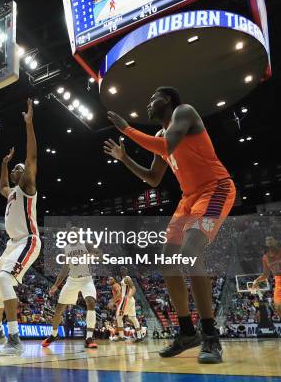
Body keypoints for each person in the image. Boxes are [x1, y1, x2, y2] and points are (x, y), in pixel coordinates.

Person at [105, 86, 236, 363]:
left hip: (216, 189)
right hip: (188, 199)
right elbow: (153, 178)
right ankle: (188, 332)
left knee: (189, 255)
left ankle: (210, 336)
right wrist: (124, 157)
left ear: (167, 100)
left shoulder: (184, 112)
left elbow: (167, 148)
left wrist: (127, 129)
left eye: (152, 99)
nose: (148, 104)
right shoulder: (159, 135)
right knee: (166, 261)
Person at [0, 98, 39, 356]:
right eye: (15, 169)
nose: (17, 170)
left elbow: (32, 156)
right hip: (11, 244)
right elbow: (2, 187)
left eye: (19, 168)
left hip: (28, 240)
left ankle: (14, 338)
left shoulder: (28, 187)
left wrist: (29, 124)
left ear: (25, 174)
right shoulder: (12, 192)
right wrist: (4, 163)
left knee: (5, 279)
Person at [42, 235, 98, 349]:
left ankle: (89, 338)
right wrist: (55, 285)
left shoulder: (87, 244)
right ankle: (54, 334)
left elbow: (98, 256)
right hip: (72, 280)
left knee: (91, 302)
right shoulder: (66, 248)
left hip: (86, 279)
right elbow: (64, 269)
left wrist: (92, 256)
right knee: (58, 309)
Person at [251, 236, 281, 345]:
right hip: (279, 283)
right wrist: (256, 280)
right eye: (267, 239)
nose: (269, 241)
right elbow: (266, 274)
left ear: (276, 241)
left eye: (271, 239)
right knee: (279, 308)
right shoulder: (265, 257)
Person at [114, 267, 143, 342]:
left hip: (127, 299)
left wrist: (128, 296)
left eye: (124, 270)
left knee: (118, 316)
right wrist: (114, 300)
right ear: (120, 271)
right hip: (130, 300)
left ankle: (121, 336)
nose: (123, 271)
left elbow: (133, 288)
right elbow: (121, 292)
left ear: (127, 271)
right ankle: (139, 337)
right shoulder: (123, 280)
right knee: (133, 318)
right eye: (122, 270)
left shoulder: (127, 278)